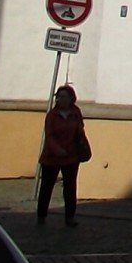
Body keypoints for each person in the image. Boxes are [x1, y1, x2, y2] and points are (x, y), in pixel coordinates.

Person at [36, 84, 92, 228]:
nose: (61, 100)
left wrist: (81, 145)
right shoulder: (52, 116)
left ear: (71, 98)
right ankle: (41, 216)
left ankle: (70, 217)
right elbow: (49, 136)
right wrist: (57, 150)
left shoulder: (75, 113)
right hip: (52, 157)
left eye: (64, 97)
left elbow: (80, 131)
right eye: (59, 97)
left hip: (71, 156)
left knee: (70, 187)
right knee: (46, 187)